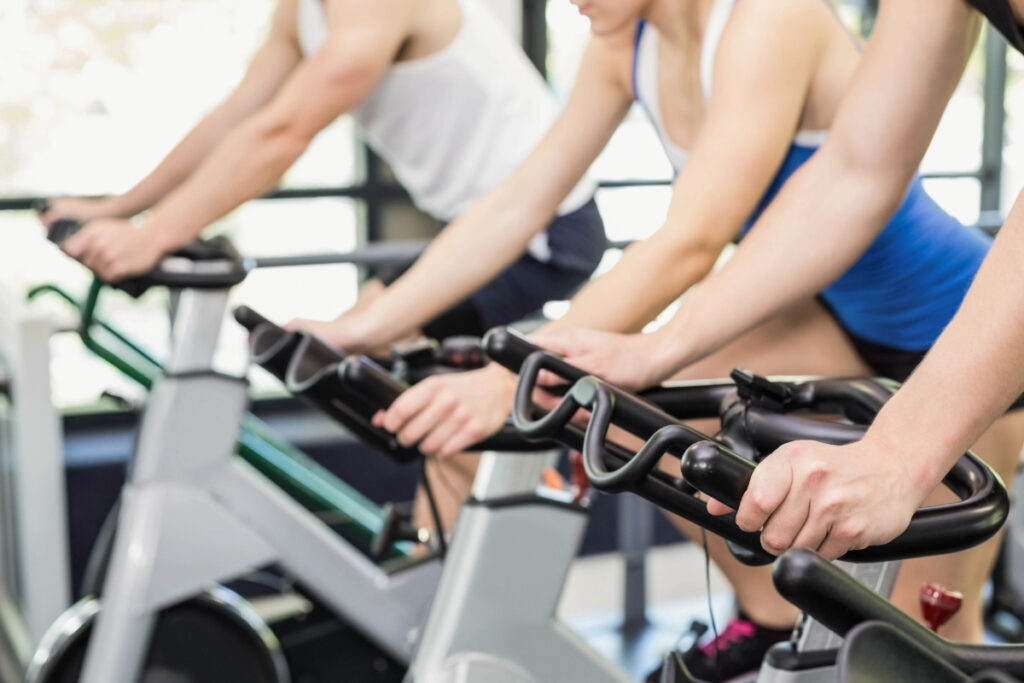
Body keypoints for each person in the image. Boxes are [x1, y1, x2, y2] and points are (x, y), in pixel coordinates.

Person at [372, 0, 1024, 678]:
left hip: (959, 335)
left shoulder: (771, 19)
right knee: (637, 407)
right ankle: (762, 612)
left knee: (924, 635)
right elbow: (857, 171)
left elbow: (694, 237)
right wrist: (651, 348)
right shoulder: (624, 42)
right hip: (832, 319)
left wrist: (899, 451)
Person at [38, 0, 605, 350]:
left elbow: (285, 132)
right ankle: (457, 540)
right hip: (472, 229)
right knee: (420, 413)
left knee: (367, 353)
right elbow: (241, 116)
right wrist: (120, 211)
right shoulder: (303, 9)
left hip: (542, 232)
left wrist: (151, 236)